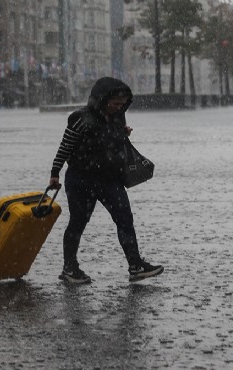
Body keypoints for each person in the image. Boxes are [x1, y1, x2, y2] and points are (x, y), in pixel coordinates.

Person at [49, 77, 164, 284]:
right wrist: (55, 173)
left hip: (109, 178)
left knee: (125, 219)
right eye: (114, 103)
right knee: (78, 222)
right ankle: (70, 268)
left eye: (122, 104)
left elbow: (111, 142)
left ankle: (135, 265)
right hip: (81, 179)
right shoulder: (81, 119)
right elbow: (65, 146)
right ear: (101, 100)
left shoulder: (117, 117)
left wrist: (122, 132)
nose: (118, 108)